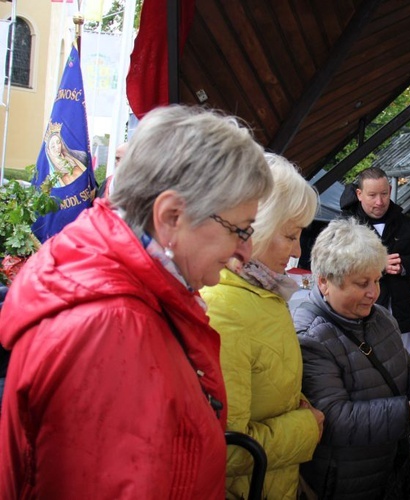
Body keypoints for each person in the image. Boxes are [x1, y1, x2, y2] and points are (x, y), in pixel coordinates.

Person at [0, 105, 273, 498]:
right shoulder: (108, 329)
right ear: (171, 216)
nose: (246, 252)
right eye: (240, 229)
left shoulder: (133, 297)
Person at [293, 218, 410, 499]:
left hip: (390, 471)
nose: (373, 293)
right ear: (324, 282)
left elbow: (406, 366)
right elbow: (334, 419)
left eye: (377, 279)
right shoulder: (311, 337)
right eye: (362, 283)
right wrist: (409, 411)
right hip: (344, 482)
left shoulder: (381, 317)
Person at [201, 153, 323, 500]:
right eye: (291, 235)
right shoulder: (225, 308)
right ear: (256, 225)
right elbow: (225, 451)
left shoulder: (262, 291)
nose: (298, 249)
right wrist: (306, 427)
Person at [342, 167, 410, 361]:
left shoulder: (405, 222)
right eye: (372, 195)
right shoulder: (346, 224)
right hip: (359, 312)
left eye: (384, 194)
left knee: (405, 363)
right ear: (359, 194)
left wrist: (403, 265)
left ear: (390, 190)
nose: (379, 202)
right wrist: (379, 266)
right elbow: (338, 266)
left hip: (401, 311)